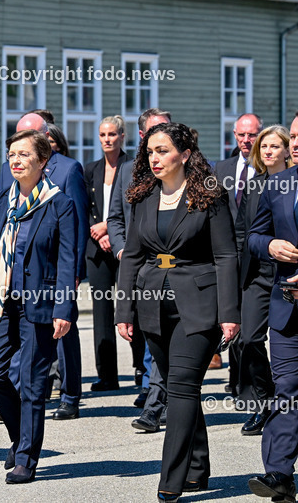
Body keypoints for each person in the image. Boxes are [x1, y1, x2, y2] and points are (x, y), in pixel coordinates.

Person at [116, 122, 240, 501]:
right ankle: (197, 468)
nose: (155, 158)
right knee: (177, 389)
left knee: (184, 389)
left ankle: (170, 481)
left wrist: (230, 312)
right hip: (153, 305)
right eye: (150, 151)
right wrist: (124, 310)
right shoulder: (142, 195)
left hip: (199, 305)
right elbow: (133, 256)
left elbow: (225, 255)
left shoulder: (209, 194)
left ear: (184, 155)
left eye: (163, 151)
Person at [0, 129, 78, 484]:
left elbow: (66, 261)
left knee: (32, 383)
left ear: (43, 161)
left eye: (24, 155)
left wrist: (64, 307)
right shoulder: (2, 201)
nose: (15, 160)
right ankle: (21, 437)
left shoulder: (60, 204)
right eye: (11, 154)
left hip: (39, 305)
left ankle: (27, 457)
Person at [0, 113, 87, 421]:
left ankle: (70, 393)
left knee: (64, 331)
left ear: (45, 137)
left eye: (30, 137)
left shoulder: (68, 168)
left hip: (54, 268)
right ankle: (33, 392)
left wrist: (73, 271)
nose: (20, 150)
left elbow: (76, 225)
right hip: (17, 275)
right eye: (17, 139)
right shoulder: (8, 169)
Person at [107, 107, 173, 429]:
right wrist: (122, 250)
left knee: (164, 333)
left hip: (171, 268)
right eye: (155, 131)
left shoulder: (186, 170)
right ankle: (158, 393)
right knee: (148, 334)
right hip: (137, 265)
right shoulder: (127, 171)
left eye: (167, 128)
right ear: (142, 135)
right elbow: (116, 219)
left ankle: (155, 403)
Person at [246, 113, 298, 502]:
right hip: (287, 307)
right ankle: (279, 474)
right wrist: (270, 246)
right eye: (292, 136)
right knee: (287, 389)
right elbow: (253, 236)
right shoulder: (278, 184)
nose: (294, 143)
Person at [234, 125, 290, 437]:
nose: (267, 150)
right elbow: (242, 231)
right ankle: (263, 401)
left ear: (286, 151)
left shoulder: (293, 183)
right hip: (256, 273)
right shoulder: (253, 185)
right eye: (263, 146)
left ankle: (286, 402)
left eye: (274, 146)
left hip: (286, 274)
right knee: (249, 339)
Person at [211, 112, 263, 372]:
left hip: (256, 255)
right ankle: (235, 377)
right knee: (228, 314)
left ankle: (247, 377)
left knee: (249, 319)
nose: (246, 140)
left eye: (251, 135)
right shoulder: (221, 169)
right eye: (241, 135)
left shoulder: (268, 169)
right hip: (225, 254)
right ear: (234, 135)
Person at [84, 115, 132, 391]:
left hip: (124, 245)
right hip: (97, 248)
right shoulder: (91, 169)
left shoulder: (132, 166)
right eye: (102, 135)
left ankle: (141, 370)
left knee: (132, 306)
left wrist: (110, 230)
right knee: (101, 312)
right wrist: (97, 229)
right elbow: (85, 205)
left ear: (122, 136)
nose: (107, 139)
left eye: (112, 134)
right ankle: (107, 375)